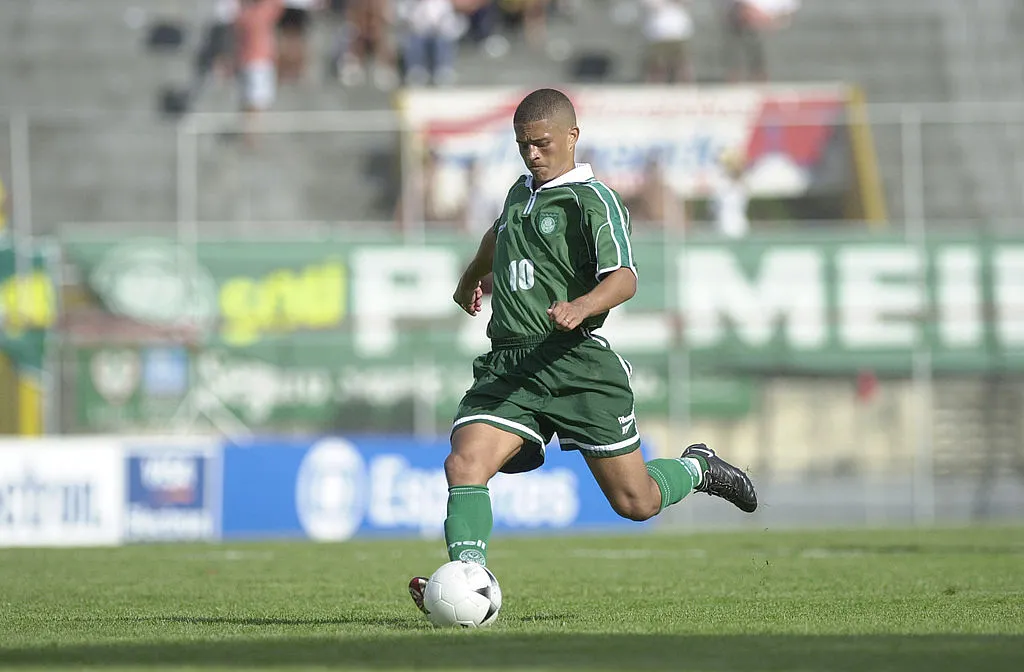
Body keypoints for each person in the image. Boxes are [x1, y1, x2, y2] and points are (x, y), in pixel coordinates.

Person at [408, 88, 757, 610]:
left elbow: (625, 278)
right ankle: (465, 581)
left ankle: (698, 468)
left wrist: (583, 305)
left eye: (542, 143)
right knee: (464, 464)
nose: (532, 154)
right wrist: (470, 278)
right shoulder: (518, 193)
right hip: (512, 362)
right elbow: (497, 234)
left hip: (576, 361)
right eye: (523, 145)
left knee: (636, 502)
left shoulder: (593, 200)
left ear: (572, 136)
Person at [641, 0, 695, 83]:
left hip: (679, 30)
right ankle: (655, 87)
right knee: (657, 63)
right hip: (658, 32)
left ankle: (686, 86)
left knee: (682, 62)